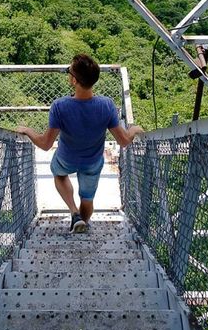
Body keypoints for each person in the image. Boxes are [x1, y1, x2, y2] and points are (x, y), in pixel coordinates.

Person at [16, 54, 144, 233]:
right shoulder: (106, 105)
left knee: (59, 175)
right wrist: (134, 130)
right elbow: (123, 141)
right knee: (87, 198)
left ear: (74, 80)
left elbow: (45, 144)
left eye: (69, 71)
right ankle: (82, 223)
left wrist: (28, 130)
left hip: (66, 158)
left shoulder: (60, 106)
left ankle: (74, 213)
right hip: (92, 162)